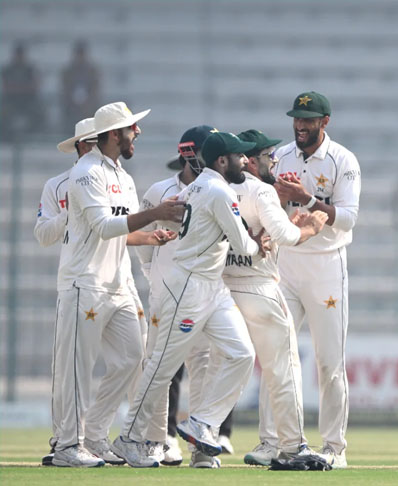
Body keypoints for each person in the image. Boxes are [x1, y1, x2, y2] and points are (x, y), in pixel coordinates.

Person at [113, 132, 263, 468]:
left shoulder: (197, 187)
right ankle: (128, 438)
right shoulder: (217, 190)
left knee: (242, 353)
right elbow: (242, 245)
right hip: (188, 288)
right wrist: (258, 243)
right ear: (221, 160)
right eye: (238, 156)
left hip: (211, 287)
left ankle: (202, 423)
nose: (245, 161)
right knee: (162, 367)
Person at [51, 102, 182, 467]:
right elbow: (104, 227)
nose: (136, 132)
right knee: (79, 366)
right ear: (112, 135)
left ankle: (93, 436)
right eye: (131, 129)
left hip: (118, 283)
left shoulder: (123, 176)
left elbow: (120, 233)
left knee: (132, 358)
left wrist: (149, 236)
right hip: (85, 283)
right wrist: (155, 212)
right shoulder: (85, 172)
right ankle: (66, 446)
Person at [261, 91, 361, 469]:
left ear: (325, 122)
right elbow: (271, 205)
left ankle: (335, 448)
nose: (300, 126)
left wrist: (308, 200)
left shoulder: (343, 161)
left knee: (328, 362)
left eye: (309, 120)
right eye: (297, 119)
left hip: (326, 265)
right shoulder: (281, 156)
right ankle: (275, 442)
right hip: (287, 262)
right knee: (277, 354)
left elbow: (348, 217)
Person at [224, 129, 328, 466]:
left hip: (222, 289)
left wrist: (284, 223)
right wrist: (309, 227)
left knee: (211, 365)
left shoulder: (219, 188)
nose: (275, 161)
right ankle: (292, 446)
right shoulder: (261, 189)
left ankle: (202, 441)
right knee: (284, 368)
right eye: (269, 156)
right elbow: (285, 236)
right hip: (260, 288)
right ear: (251, 161)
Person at [136, 125, 219, 468]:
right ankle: (159, 440)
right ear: (189, 153)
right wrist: (156, 280)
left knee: (202, 367)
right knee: (160, 368)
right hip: (165, 297)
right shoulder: (160, 191)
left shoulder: (219, 190)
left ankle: (200, 446)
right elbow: (144, 244)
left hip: (202, 295)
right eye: (207, 153)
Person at [36, 117, 97, 466]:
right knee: (67, 364)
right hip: (74, 281)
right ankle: (64, 439)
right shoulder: (58, 185)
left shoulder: (114, 179)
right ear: (80, 145)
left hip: (110, 283)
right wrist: (68, 214)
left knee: (130, 359)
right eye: (91, 141)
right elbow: (43, 235)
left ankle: (95, 436)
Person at [1, 41, 44, 141]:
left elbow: (35, 85)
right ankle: (6, 138)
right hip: (11, 100)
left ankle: (33, 137)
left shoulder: (30, 69)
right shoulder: (8, 69)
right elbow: (6, 86)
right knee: (4, 113)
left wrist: (19, 88)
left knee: (39, 112)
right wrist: (23, 88)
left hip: (28, 100)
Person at [60, 40, 100, 133]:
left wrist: (87, 103)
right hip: (71, 105)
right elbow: (65, 89)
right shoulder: (68, 71)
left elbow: (95, 89)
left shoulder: (92, 71)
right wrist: (73, 102)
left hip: (89, 105)